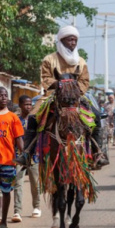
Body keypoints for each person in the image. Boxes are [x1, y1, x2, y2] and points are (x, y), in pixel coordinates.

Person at [14, 25, 108, 168]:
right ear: (62, 40)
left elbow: (84, 81)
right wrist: (60, 86)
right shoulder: (49, 59)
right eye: (70, 40)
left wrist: (74, 91)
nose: (73, 43)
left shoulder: (81, 61)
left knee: (96, 115)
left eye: (75, 40)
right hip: (53, 95)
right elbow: (45, 79)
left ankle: (98, 153)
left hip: (76, 97)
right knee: (33, 116)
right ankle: (27, 153)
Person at [12, 95, 41, 223]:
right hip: (19, 156)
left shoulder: (35, 120)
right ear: (20, 105)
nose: (28, 107)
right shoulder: (16, 120)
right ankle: (17, 211)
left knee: (35, 182)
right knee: (18, 183)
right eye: (26, 104)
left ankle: (36, 207)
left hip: (33, 156)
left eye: (30, 104)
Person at [0, 87, 25, 228]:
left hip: (8, 161)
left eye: (5, 95)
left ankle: (3, 222)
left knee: (6, 191)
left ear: (8, 99)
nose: (3, 97)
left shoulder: (13, 118)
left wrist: (24, 154)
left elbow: (19, 139)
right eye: (0, 95)